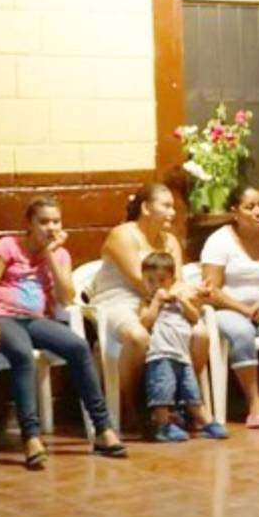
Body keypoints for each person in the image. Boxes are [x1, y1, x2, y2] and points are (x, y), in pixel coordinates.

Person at [0, 196, 126, 469]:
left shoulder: (60, 255)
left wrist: (50, 255)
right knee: (22, 355)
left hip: (36, 320)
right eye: (44, 222)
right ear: (29, 224)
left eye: (56, 221)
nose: (51, 227)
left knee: (78, 347)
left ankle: (103, 429)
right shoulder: (7, 247)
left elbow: (67, 297)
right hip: (4, 317)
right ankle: (31, 437)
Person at [93, 184, 224, 438]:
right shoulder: (122, 235)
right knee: (138, 336)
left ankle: (179, 401)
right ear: (145, 208)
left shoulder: (170, 240)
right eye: (166, 206)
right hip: (121, 299)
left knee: (200, 333)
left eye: (173, 207)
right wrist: (176, 293)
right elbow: (140, 282)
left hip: (163, 299)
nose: (172, 213)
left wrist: (196, 292)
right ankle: (138, 408)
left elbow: (177, 282)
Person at [200, 187, 259, 429]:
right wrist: (244, 310)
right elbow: (211, 290)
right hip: (226, 309)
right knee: (242, 333)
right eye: (250, 207)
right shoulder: (219, 241)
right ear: (235, 212)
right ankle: (254, 403)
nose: (258, 212)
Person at [139, 252, 215, 442]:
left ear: (172, 280)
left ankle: (206, 422)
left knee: (192, 392)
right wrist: (156, 302)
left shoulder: (180, 301)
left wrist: (183, 300)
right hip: (160, 355)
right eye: (150, 281)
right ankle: (163, 426)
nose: (156, 286)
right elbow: (145, 322)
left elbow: (194, 317)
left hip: (183, 356)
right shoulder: (146, 302)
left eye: (161, 281)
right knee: (162, 393)